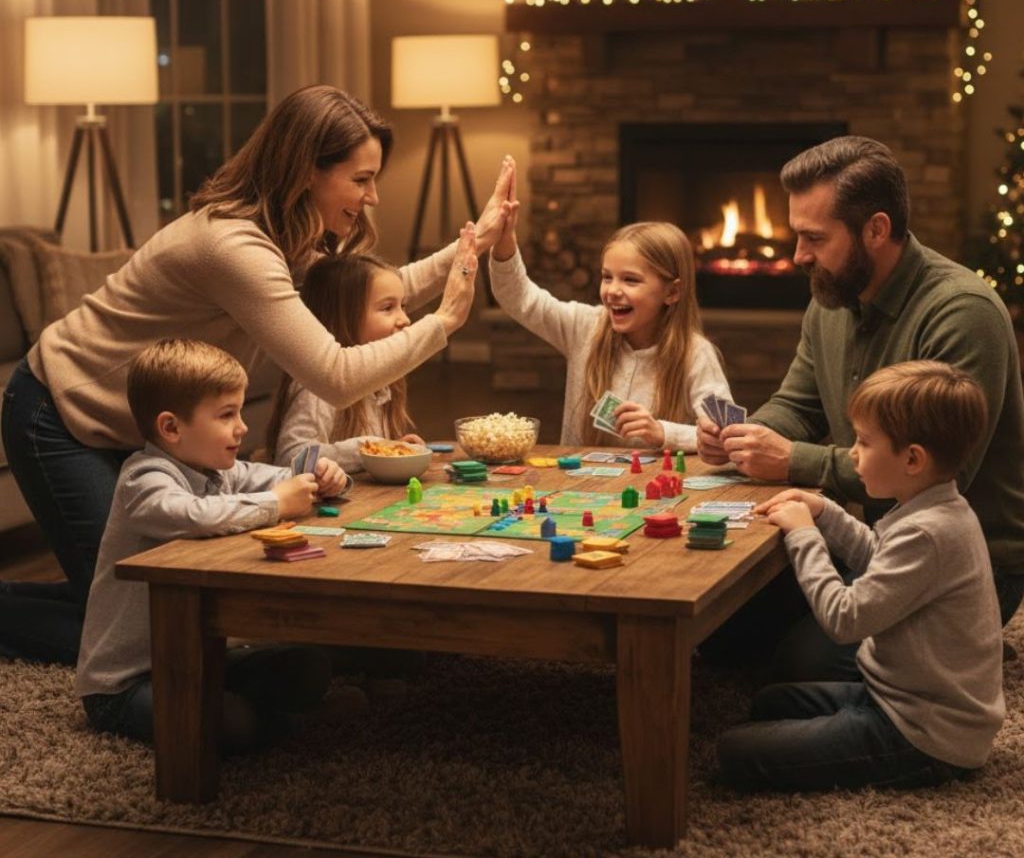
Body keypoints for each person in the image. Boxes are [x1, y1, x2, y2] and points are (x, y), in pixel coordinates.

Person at [1, 85, 514, 664]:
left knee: (154, 595)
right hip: (63, 410)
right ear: (306, 172)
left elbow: (367, 298)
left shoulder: (283, 235)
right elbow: (336, 374)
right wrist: (445, 321)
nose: (371, 197)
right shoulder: (232, 247)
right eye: (360, 179)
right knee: (143, 623)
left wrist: (471, 248)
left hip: (153, 423)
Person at [697, 135, 1024, 638]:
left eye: (815, 238)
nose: (798, 256)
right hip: (872, 540)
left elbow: (943, 473)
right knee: (721, 629)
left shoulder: (963, 313)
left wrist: (792, 460)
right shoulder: (831, 297)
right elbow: (796, 406)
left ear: (876, 229)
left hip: (965, 566)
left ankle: (966, 653)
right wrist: (744, 436)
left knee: (797, 665)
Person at [717, 361, 1005, 792]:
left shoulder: (928, 531)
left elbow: (843, 618)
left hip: (921, 733)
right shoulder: (932, 506)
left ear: (912, 459)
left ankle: (915, 760)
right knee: (768, 702)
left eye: (864, 442)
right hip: (892, 694)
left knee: (732, 752)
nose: (851, 453)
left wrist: (804, 534)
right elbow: (877, 556)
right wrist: (825, 512)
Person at [76, 339, 350, 750]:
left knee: (309, 666)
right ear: (171, 428)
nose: (241, 427)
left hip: (199, 658)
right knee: (233, 723)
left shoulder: (218, 469)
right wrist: (277, 503)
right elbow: (190, 513)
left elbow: (277, 477)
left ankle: (261, 716)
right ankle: (269, 724)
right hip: (124, 684)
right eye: (226, 415)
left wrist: (323, 476)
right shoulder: (143, 478)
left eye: (239, 411)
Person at [490, 166, 731, 450]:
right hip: (579, 487)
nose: (613, 290)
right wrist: (504, 238)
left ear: (673, 291)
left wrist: (663, 433)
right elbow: (517, 297)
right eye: (607, 277)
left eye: (630, 280)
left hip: (659, 489)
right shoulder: (583, 326)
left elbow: (727, 435)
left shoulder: (696, 353)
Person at [267, 251, 423, 473]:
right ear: (343, 317)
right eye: (388, 308)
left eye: (403, 306)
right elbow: (290, 458)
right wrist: (366, 450)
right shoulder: (318, 388)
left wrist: (395, 448)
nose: (405, 319)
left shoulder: (383, 380)